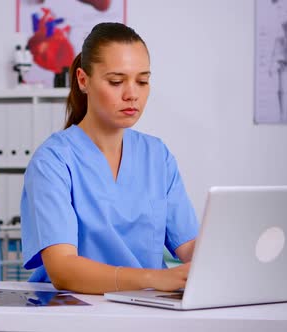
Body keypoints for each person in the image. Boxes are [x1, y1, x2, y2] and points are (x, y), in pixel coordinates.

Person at [20, 22, 199, 294]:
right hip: (73, 313)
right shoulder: (54, 161)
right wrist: (153, 279)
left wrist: (231, 254)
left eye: (142, 81)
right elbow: (62, 269)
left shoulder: (157, 156)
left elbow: (188, 247)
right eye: (116, 81)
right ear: (83, 80)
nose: (132, 94)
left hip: (145, 312)